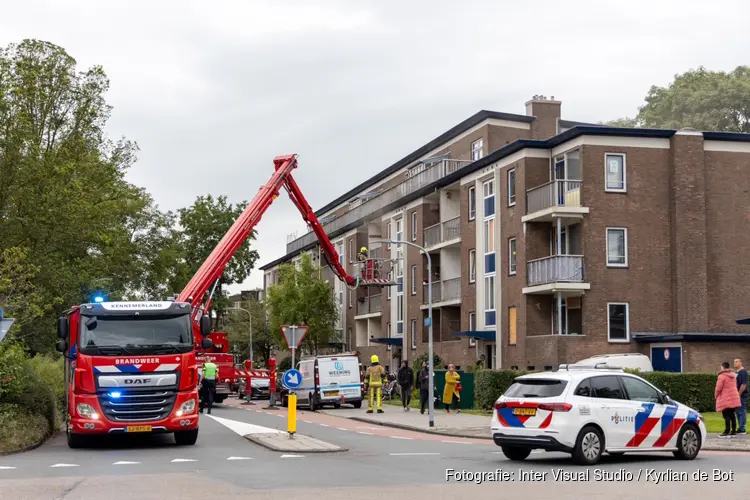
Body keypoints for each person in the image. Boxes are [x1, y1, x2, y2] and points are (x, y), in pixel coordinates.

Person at [715, 361, 741, 438]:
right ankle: (733, 431)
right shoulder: (733, 375)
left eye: (721, 367)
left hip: (725, 397)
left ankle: (726, 431)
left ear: (723, 367)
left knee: (726, 415)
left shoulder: (721, 376)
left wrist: (716, 396)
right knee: (732, 414)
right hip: (733, 397)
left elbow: (718, 388)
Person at [736, 358, 748, 434]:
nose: (735, 363)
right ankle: (740, 427)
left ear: (741, 363)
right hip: (736, 395)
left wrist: (739, 394)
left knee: (742, 411)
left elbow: (744, 384)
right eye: (734, 362)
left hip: (741, 395)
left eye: (736, 362)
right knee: (737, 411)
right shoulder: (737, 372)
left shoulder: (743, 372)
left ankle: (742, 428)